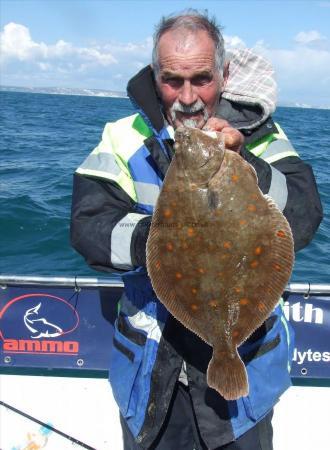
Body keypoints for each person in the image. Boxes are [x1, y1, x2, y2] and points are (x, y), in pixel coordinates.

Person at [70, 10, 323, 450]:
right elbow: (88, 226)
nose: (188, 97)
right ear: (155, 76)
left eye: (202, 79)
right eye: (172, 80)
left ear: (224, 75)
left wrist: (248, 168)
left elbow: (304, 214)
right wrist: (166, 238)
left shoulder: (262, 137)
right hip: (149, 376)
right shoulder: (121, 137)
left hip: (246, 376)